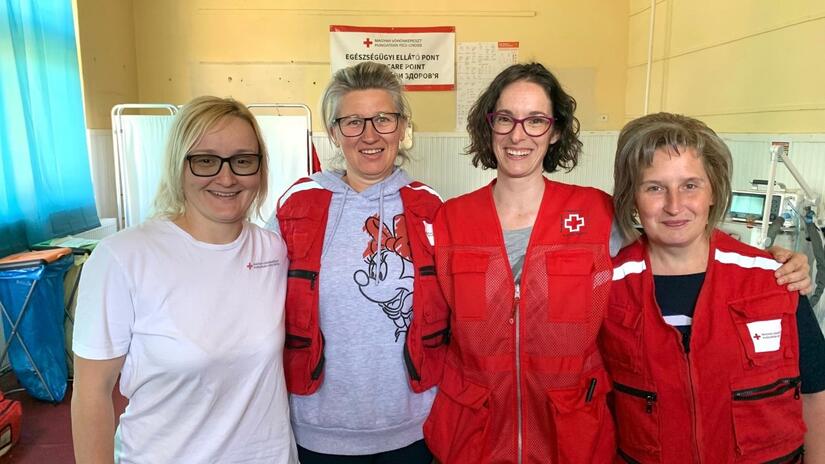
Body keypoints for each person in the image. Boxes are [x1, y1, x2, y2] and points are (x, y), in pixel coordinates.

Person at [425, 63, 813, 464]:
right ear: (488, 125)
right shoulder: (449, 219)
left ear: (556, 130)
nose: (518, 134)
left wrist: (767, 262)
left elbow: (672, 242)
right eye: (505, 118)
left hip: (571, 436)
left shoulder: (596, 212)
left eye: (536, 120)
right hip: (473, 435)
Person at [71, 96, 297, 463]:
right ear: (179, 166)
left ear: (260, 169)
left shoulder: (272, 249)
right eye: (205, 161)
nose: (226, 177)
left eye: (242, 161)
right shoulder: (122, 258)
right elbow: (92, 393)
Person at [603, 112, 825, 463]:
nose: (675, 205)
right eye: (655, 188)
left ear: (713, 191)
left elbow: (816, 394)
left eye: (690, 185)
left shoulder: (773, 278)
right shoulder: (605, 290)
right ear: (633, 197)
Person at [272, 62, 449, 463]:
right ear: (334, 132)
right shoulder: (296, 204)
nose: (369, 135)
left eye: (383, 119)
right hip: (318, 430)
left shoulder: (430, 207)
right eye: (352, 121)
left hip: (413, 427)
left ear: (402, 127)